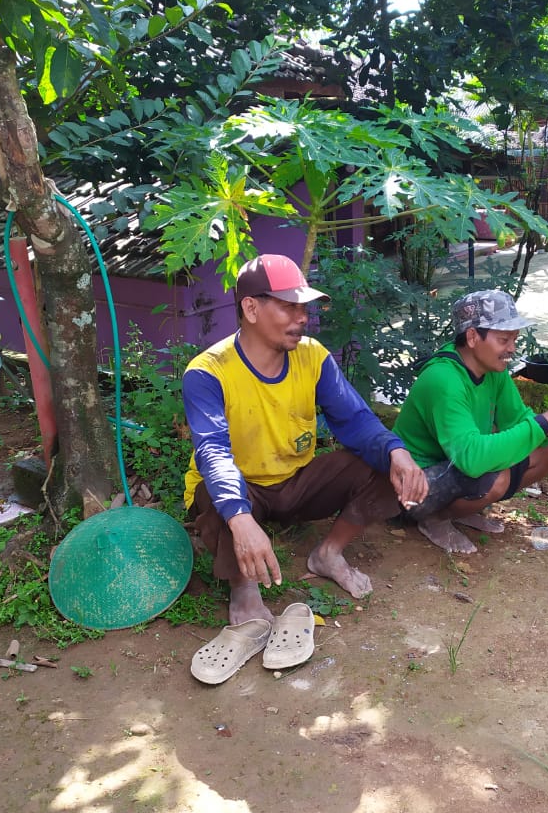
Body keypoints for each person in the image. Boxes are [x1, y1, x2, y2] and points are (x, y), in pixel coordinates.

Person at [182, 253, 427, 683]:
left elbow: (354, 420)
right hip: (242, 490)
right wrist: (240, 518)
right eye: (289, 306)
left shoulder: (312, 357)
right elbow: (213, 452)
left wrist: (396, 452)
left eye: (304, 307)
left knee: (383, 462)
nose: (302, 318)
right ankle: (244, 590)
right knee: (213, 492)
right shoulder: (207, 372)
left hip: (295, 482)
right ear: (251, 308)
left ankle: (328, 553)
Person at [393, 289, 548, 553]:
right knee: (497, 477)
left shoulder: (493, 370)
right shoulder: (443, 379)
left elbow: (517, 419)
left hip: (454, 465)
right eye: (504, 339)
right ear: (473, 337)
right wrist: (545, 423)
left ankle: (458, 511)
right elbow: (471, 459)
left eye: (514, 339)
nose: (512, 349)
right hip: (413, 488)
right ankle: (433, 519)